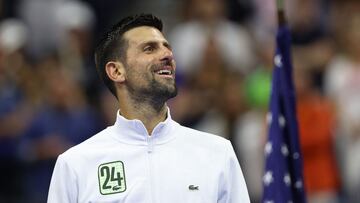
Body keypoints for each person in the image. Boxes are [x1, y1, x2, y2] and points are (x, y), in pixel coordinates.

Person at [47, 14, 250, 203]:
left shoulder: (217, 153)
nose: (167, 55)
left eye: (167, 47)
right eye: (149, 48)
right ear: (117, 71)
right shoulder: (75, 165)